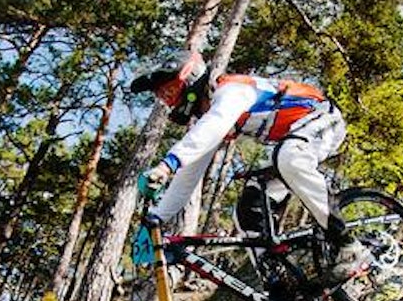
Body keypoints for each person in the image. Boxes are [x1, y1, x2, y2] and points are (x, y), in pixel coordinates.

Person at [130, 50, 369, 284]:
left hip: (322, 119)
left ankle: (348, 245)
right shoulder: (212, 117)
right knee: (248, 209)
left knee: (289, 157)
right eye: (162, 97)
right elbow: (188, 174)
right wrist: (156, 218)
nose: (168, 101)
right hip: (293, 141)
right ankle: (278, 286)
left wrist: (167, 165)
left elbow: (209, 129)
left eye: (169, 91)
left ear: (190, 80)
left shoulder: (230, 91)